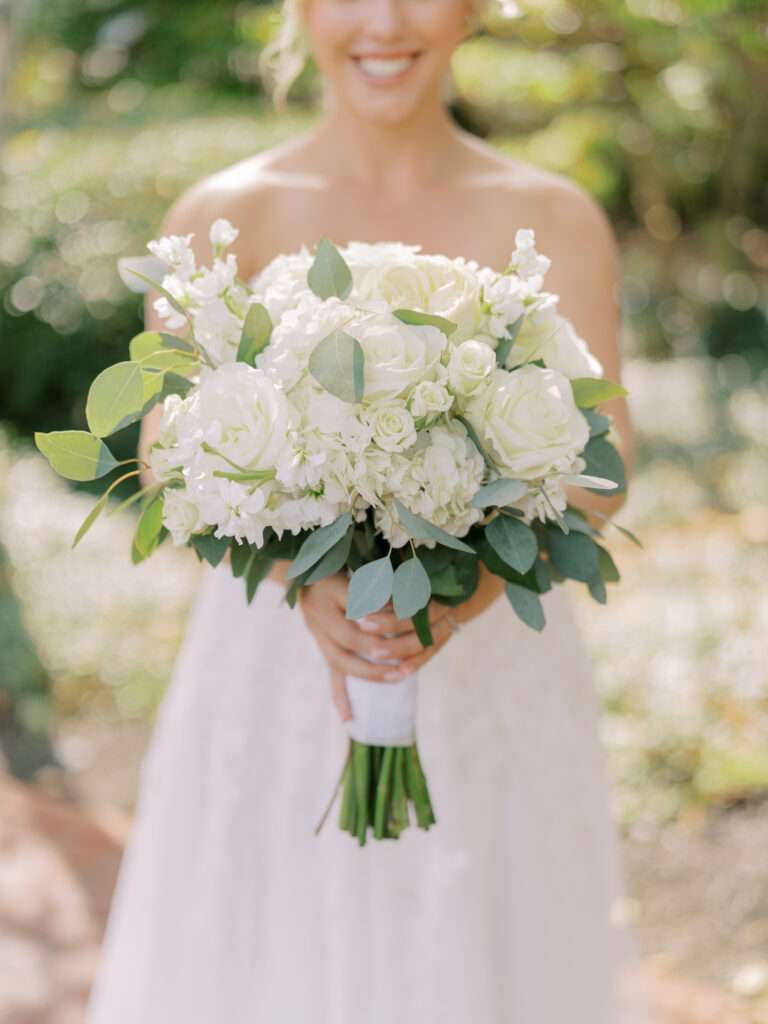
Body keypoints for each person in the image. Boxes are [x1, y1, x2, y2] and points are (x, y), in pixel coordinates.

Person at [86, 0, 654, 1020]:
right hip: (271, 662)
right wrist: (298, 585)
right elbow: (167, 458)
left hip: (494, 662)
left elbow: (602, 468)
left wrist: (468, 594)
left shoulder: (557, 217)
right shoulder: (224, 215)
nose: (384, 21)